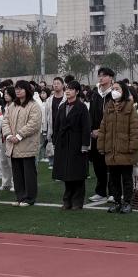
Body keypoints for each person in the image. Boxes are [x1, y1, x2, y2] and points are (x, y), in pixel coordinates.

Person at [98, 81, 138, 213]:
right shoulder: (108, 107)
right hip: (111, 150)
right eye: (113, 89)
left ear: (124, 92)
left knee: (127, 178)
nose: (114, 91)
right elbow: (103, 128)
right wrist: (101, 145)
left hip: (125, 150)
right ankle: (117, 202)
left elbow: (135, 129)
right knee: (114, 179)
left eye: (117, 89)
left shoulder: (130, 107)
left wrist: (133, 146)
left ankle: (127, 202)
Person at [52, 80, 92, 209]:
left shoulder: (82, 107)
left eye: (71, 89)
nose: (68, 91)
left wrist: (85, 145)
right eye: (67, 89)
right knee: (66, 173)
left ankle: (77, 201)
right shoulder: (62, 106)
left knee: (77, 173)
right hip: (63, 143)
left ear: (77, 91)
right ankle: (67, 200)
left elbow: (86, 127)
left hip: (77, 144)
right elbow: (57, 126)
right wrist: (55, 142)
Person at [2, 80, 43, 207]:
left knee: (29, 173)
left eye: (21, 89)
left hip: (27, 144)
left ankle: (29, 198)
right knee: (17, 173)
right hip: (13, 145)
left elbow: (34, 124)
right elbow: (5, 121)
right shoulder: (12, 106)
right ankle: (20, 197)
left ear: (27, 90)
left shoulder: (33, 105)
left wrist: (19, 135)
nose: (18, 91)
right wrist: (9, 135)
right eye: (16, 89)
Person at [87, 67, 116, 202]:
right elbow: (90, 114)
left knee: (111, 164)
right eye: (99, 75)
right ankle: (100, 191)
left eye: (104, 75)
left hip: (110, 134)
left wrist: (102, 130)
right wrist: (91, 130)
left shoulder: (114, 94)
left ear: (110, 78)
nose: (101, 78)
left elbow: (115, 116)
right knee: (98, 164)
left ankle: (114, 191)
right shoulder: (95, 94)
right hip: (95, 135)